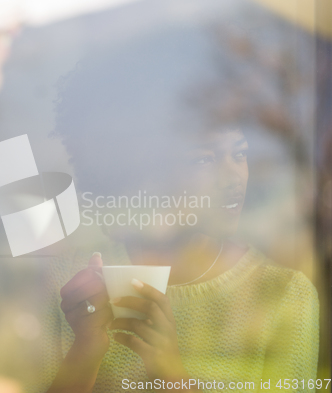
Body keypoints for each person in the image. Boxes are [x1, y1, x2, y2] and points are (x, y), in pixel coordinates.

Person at [35, 32, 319, 393]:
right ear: (150, 167)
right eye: (204, 158)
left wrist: (172, 376)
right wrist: (86, 350)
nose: (234, 176)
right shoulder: (75, 282)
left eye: (241, 153)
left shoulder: (285, 296)